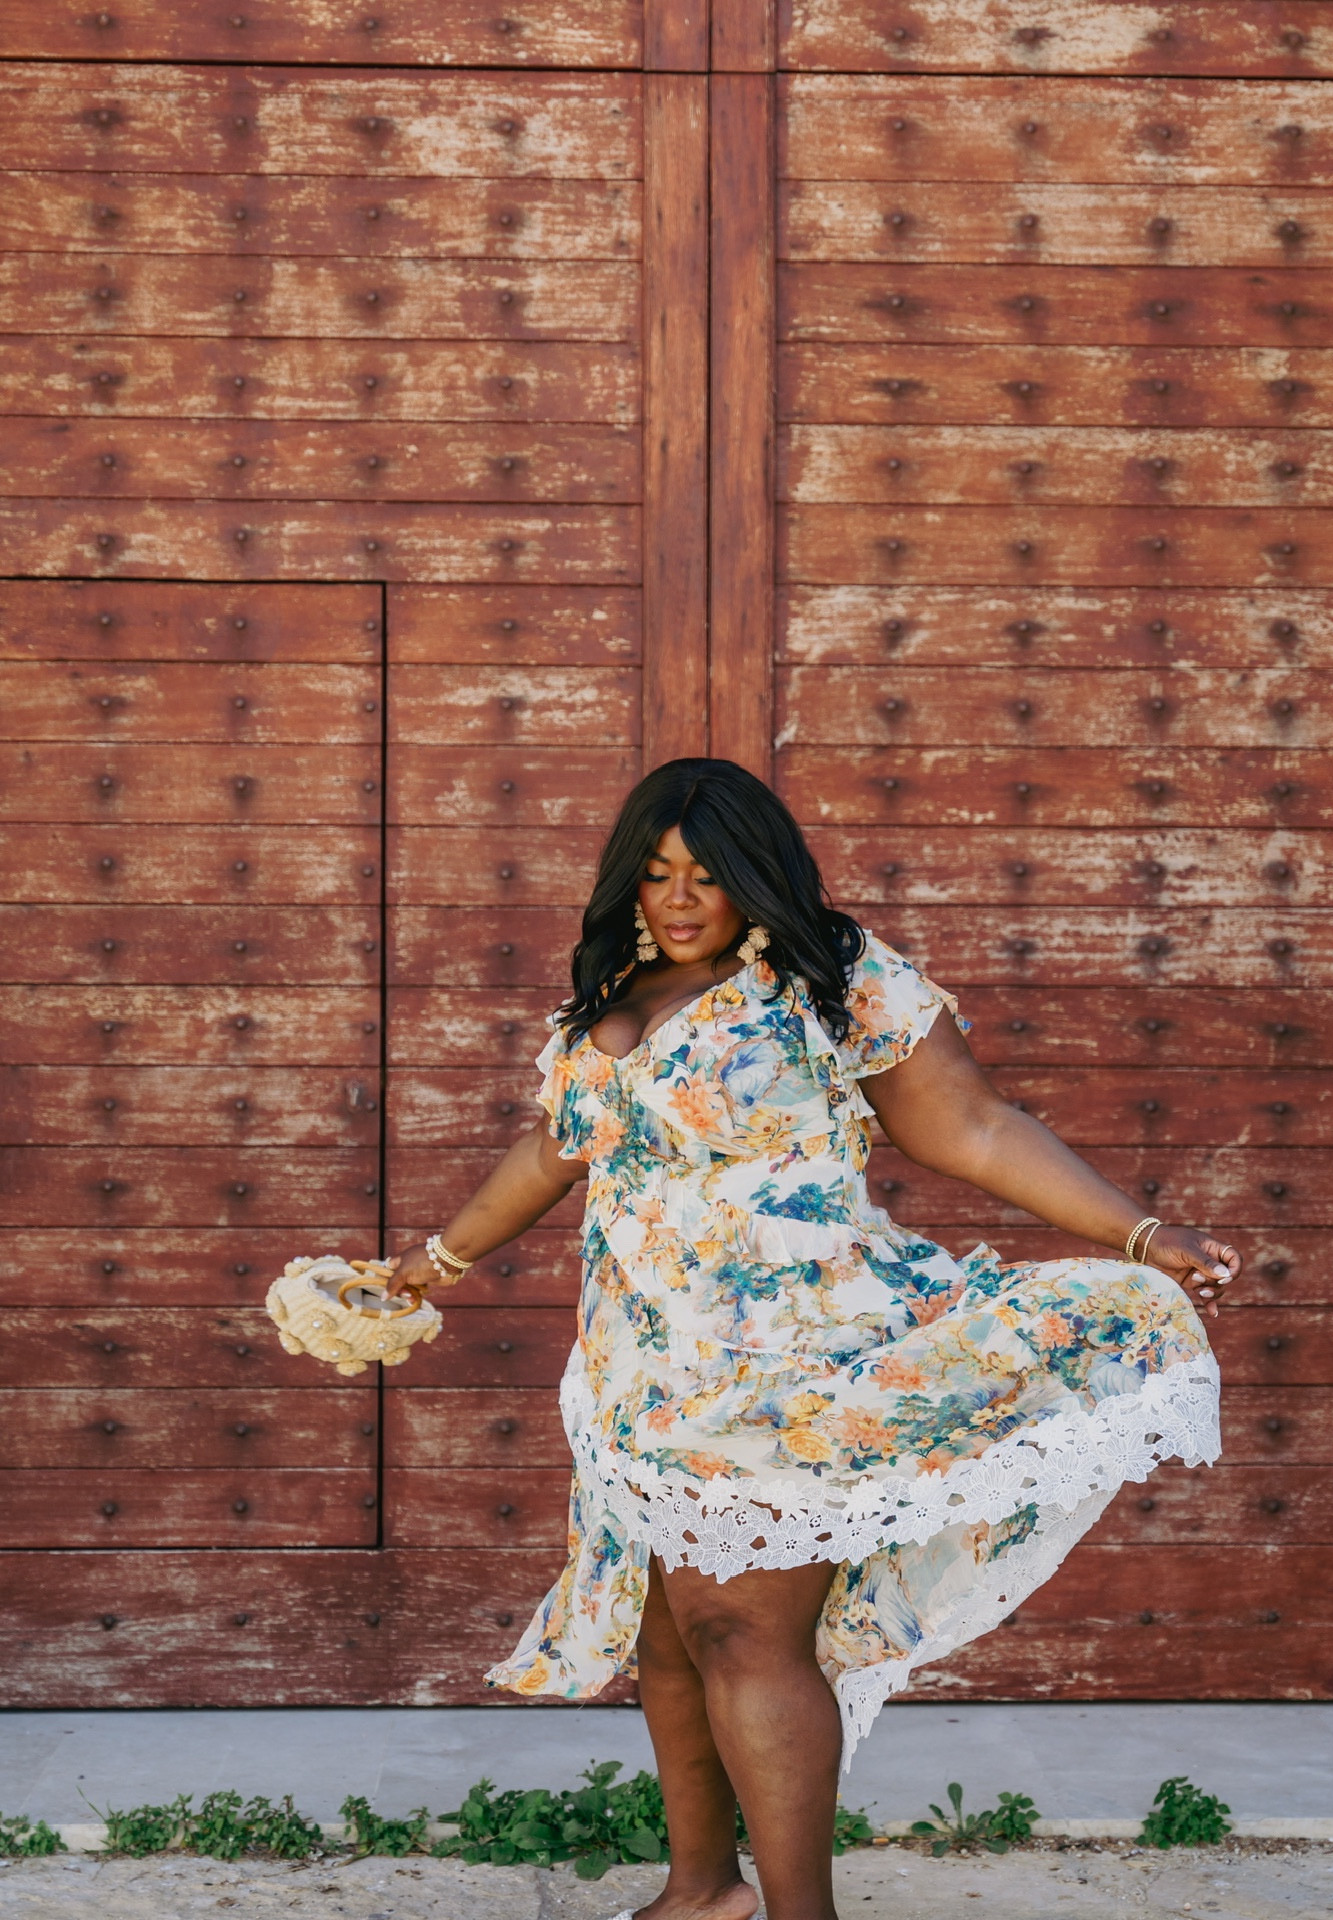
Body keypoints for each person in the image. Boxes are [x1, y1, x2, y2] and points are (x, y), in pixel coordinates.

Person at [389, 757, 1241, 1920]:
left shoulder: (830, 977)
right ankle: (702, 1892)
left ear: (756, 876)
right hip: (644, 1374)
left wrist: (1138, 1233)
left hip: (792, 1363)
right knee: (671, 1634)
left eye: (705, 874)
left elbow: (976, 1130)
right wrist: (431, 1263)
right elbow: (553, 1154)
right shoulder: (609, 1000)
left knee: (744, 1630)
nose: (678, 899)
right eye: (653, 876)